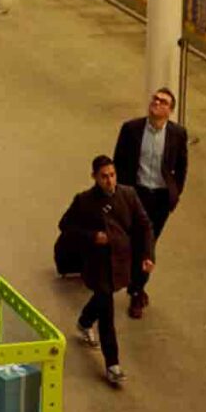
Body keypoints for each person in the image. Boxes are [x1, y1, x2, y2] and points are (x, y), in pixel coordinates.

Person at [58, 156, 154, 388]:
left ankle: (84, 321)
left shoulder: (128, 195)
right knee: (107, 310)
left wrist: (147, 255)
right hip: (96, 264)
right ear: (94, 177)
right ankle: (113, 364)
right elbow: (65, 226)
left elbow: (144, 225)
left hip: (120, 262)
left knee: (103, 299)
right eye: (104, 176)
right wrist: (92, 236)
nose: (109, 181)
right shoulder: (84, 201)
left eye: (112, 175)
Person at [112, 86, 188, 319]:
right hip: (137, 195)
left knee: (148, 243)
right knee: (136, 242)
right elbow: (119, 161)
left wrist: (176, 193)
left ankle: (137, 288)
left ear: (170, 110)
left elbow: (181, 167)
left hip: (161, 198)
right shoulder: (131, 129)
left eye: (163, 101)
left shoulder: (177, 134)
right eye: (155, 99)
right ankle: (137, 289)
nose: (157, 103)